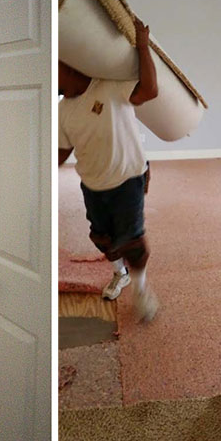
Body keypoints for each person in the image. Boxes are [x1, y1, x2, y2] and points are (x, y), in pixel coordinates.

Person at [58, 17, 158, 322]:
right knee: (101, 239)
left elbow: (149, 91)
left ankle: (141, 288)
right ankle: (121, 274)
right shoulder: (62, 109)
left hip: (127, 178)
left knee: (132, 241)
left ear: (71, 66)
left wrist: (143, 44)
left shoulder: (110, 85)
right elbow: (62, 153)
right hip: (92, 184)